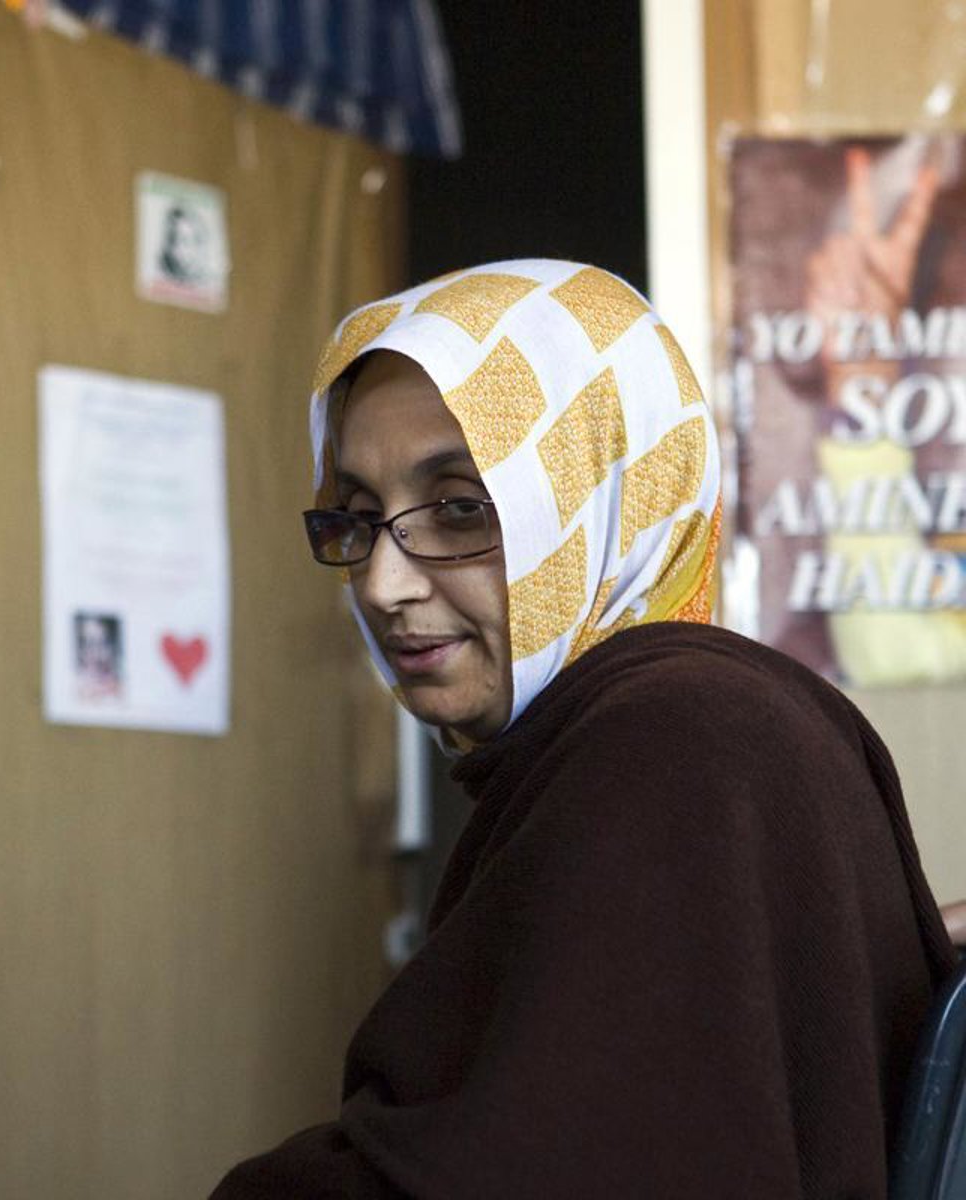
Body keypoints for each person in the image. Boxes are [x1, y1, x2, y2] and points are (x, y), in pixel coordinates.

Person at [211, 261, 958, 1198]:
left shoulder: (676, 742)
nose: (382, 584)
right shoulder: (704, 718)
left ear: (606, 492)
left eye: (460, 509)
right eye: (359, 518)